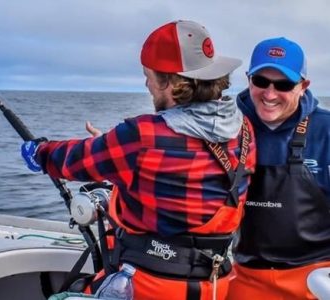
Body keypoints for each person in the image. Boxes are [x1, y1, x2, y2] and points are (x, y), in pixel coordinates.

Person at [22, 20, 256, 300]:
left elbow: (72, 161)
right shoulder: (244, 129)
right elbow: (190, 184)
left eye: (149, 76)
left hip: (150, 286)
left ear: (171, 82)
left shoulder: (142, 137)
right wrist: (120, 157)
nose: (146, 84)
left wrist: (39, 152)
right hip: (214, 285)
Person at [227, 37, 330, 300]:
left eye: (283, 84)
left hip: (315, 276)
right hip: (246, 275)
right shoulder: (226, 124)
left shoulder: (325, 129)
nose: (270, 94)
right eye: (261, 82)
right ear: (248, 79)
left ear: (303, 86)